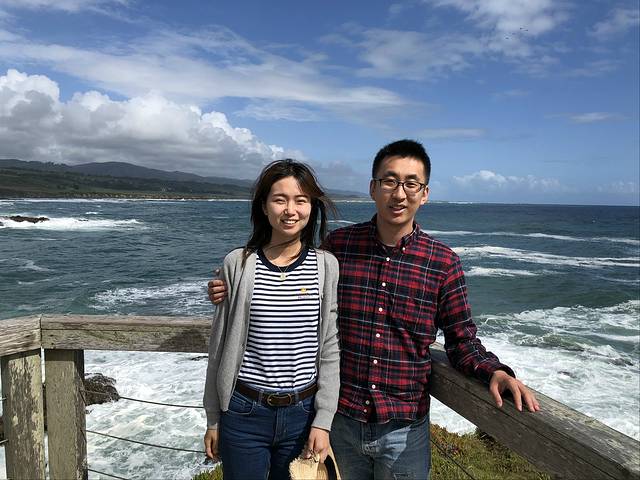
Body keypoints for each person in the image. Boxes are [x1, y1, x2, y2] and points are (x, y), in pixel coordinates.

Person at [209, 140, 540, 479]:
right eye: (389, 181)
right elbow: (288, 275)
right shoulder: (339, 249)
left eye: (411, 183)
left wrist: (495, 371)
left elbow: (462, 339)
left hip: (404, 429)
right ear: (373, 188)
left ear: (425, 193)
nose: (399, 193)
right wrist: (229, 285)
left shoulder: (443, 263)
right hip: (340, 423)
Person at [203, 159, 340, 480]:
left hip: (303, 414)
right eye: (280, 199)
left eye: (301, 200)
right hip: (243, 410)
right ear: (264, 207)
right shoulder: (238, 263)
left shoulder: (326, 266)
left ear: (312, 207)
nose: (290, 210)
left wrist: (323, 421)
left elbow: (329, 348)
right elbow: (219, 347)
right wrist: (213, 419)